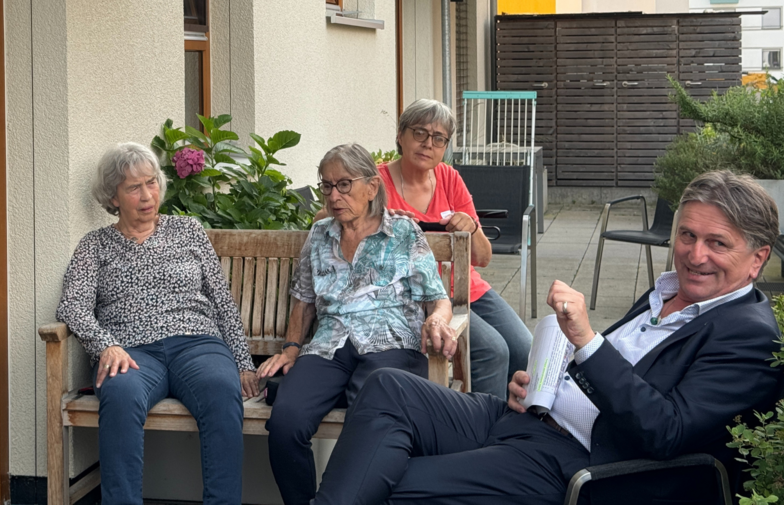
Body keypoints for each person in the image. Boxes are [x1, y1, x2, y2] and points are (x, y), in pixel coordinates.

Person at [312, 170, 783, 505]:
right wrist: (541, 383)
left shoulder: (748, 337)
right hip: (528, 416)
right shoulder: (669, 292)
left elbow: (667, 431)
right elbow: (620, 374)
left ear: (757, 259)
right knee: (388, 388)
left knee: (391, 483)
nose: (694, 254)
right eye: (687, 235)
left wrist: (587, 341)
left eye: (717, 243)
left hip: (581, 460)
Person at [56, 142, 258, 505]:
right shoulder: (95, 245)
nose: (147, 195)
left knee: (219, 389)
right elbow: (73, 306)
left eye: (151, 183)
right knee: (119, 394)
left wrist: (243, 363)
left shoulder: (188, 231)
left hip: (197, 344)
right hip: (129, 352)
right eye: (134, 187)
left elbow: (221, 301)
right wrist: (105, 345)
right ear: (113, 197)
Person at [258, 143, 457, 505]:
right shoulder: (320, 235)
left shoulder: (402, 232)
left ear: (371, 187)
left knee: (369, 421)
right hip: (330, 343)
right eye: (327, 186)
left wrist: (439, 321)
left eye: (344, 184)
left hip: (392, 342)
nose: (334, 196)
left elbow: (437, 297)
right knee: (286, 420)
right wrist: (290, 348)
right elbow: (304, 298)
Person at [380, 98, 532, 399]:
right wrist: (377, 219)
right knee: (493, 351)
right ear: (400, 135)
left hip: (466, 285)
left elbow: (483, 258)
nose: (428, 144)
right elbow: (326, 217)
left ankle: (518, 425)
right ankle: (481, 430)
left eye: (439, 138)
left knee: (525, 348)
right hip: (420, 294)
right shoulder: (376, 182)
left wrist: (471, 227)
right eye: (419, 133)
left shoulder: (450, 178)